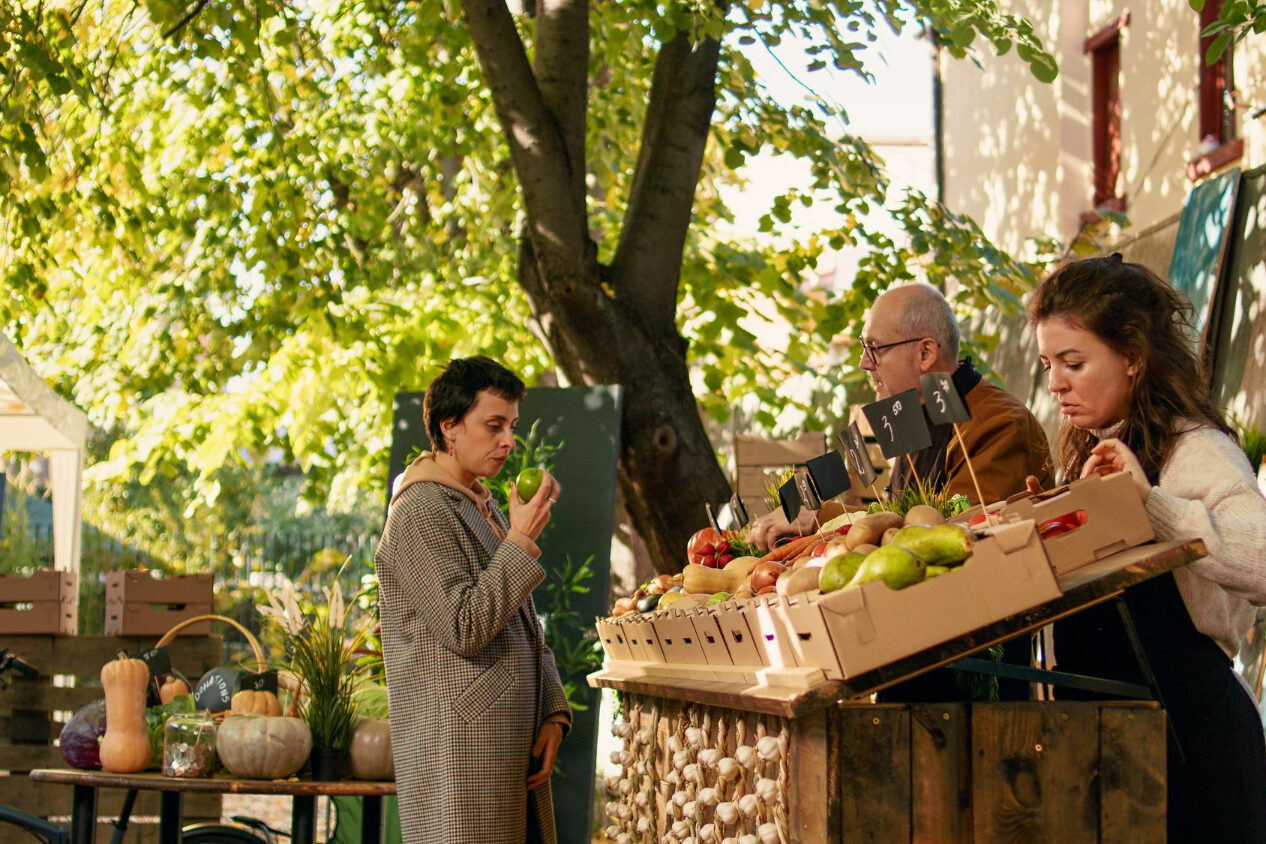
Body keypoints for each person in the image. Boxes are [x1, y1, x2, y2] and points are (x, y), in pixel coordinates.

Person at [1031, 254, 1266, 842]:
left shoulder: (1197, 450)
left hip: (1196, 753)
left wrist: (1154, 505)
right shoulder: (1100, 445)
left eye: (1073, 362)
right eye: (1047, 364)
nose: (1056, 382)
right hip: (1120, 750)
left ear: (1133, 358)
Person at [375, 356, 572, 844]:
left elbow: (524, 623)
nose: (509, 440)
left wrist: (552, 711)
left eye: (512, 426)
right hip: (459, 758)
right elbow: (464, 626)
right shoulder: (419, 512)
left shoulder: (478, 503)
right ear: (450, 427)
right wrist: (521, 541)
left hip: (507, 744)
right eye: (494, 425)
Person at [750, 282, 1054, 549]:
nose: (864, 364)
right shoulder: (913, 416)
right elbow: (897, 515)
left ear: (925, 353)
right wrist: (814, 515)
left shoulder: (997, 423)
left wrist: (823, 518)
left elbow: (954, 536)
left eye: (874, 348)